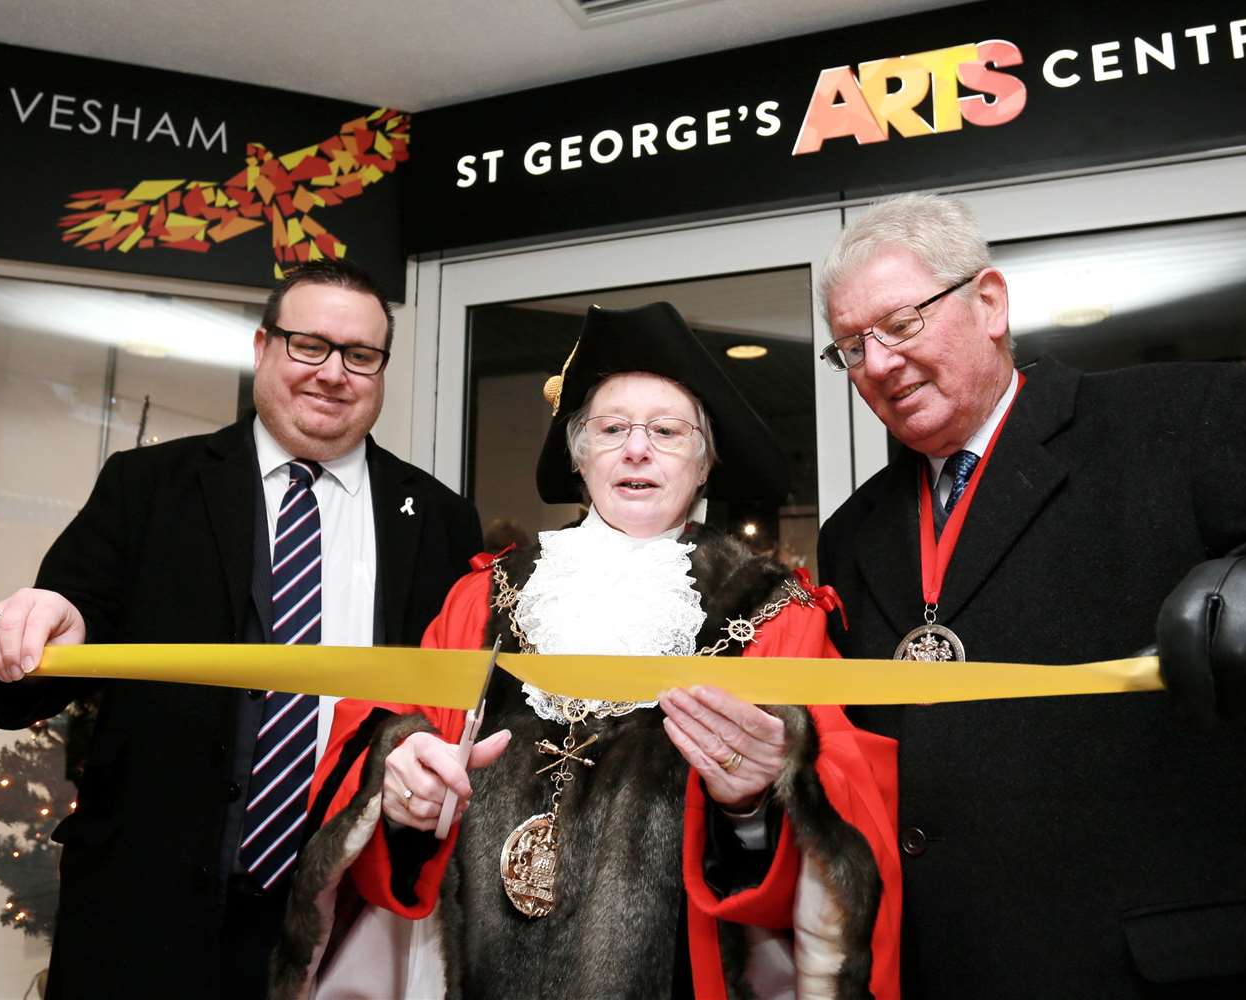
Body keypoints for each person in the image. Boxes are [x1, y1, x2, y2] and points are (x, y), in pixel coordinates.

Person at [272, 303, 902, 1000]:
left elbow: (842, 821)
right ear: (578, 455)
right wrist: (401, 789)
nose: (637, 450)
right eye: (610, 430)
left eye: (667, 432)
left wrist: (754, 805)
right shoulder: (483, 596)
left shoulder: (777, 613)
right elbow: (387, 737)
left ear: (705, 464)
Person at [813, 193, 1246, 998]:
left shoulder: (1178, 418)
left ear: (989, 303)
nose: (876, 365)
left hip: (1157, 965)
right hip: (945, 966)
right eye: (850, 348)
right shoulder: (852, 533)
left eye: (901, 325)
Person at [0, 261, 482, 998]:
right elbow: (62, 632)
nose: (333, 373)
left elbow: (446, 699)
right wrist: (50, 623)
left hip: (342, 914)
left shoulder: (435, 517)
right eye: (309, 346)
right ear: (263, 347)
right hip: (146, 908)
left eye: (359, 356)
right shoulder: (148, 488)